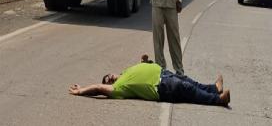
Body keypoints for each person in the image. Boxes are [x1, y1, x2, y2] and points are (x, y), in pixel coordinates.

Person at [68, 60, 231, 107]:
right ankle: (218, 100)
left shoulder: (125, 73)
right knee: (189, 90)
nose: (109, 78)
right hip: (162, 86)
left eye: (108, 75)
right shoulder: (119, 88)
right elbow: (98, 88)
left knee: (189, 81)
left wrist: (145, 61)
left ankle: (214, 88)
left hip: (164, 74)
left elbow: (143, 67)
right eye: (107, 80)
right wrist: (81, 90)